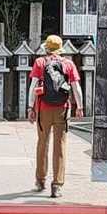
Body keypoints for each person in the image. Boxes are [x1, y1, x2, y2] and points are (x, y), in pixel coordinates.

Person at [28, 35, 83, 197]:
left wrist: (30, 107)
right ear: (60, 49)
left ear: (46, 48)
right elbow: (76, 87)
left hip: (43, 108)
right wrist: (79, 107)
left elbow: (33, 86)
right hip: (62, 109)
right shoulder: (68, 64)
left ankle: (40, 180)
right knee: (60, 145)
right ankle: (57, 184)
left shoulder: (40, 62)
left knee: (42, 143)